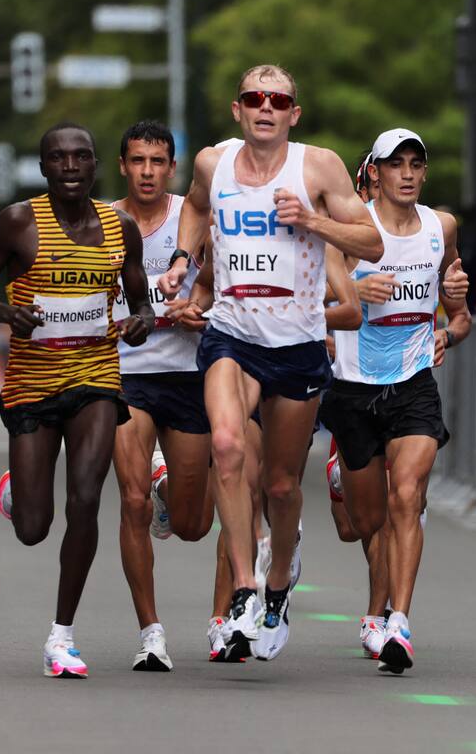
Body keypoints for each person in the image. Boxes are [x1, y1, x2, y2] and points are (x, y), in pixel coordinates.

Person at [158, 64, 382, 663]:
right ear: (238, 109)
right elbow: (197, 209)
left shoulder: (319, 167)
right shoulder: (214, 162)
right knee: (227, 447)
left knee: (282, 485)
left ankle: (279, 578)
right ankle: (244, 586)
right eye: (255, 98)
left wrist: (311, 219)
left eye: (278, 100)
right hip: (231, 335)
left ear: (293, 114)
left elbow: (371, 243)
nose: (266, 107)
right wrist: (184, 257)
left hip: (298, 346)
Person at [0, 122, 154, 678]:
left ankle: (61, 636)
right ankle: (19, 488)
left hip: (95, 378)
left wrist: (140, 322)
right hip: (31, 387)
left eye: (81, 157)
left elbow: (142, 302)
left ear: (95, 167)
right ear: (43, 168)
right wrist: (5, 313)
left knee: (86, 498)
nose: (70, 166)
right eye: (58, 158)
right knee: (33, 528)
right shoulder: (18, 223)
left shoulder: (121, 228)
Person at [318, 128, 470, 673]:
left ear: (424, 173)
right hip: (353, 388)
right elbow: (309, 300)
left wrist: (449, 329)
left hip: (412, 387)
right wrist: (352, 295)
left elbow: (460, 313)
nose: (406, 173)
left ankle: (397, 623)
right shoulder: (350, 231)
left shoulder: (441, 227)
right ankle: (377, 607)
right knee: (366, 520)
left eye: (416, 164)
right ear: (375, 173)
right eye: (395, 164)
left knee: (408, 497)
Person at [106, 120, 216, 672]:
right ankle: (151, 632)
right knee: (130, 502)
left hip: (189, 375)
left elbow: (223, 289)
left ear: (171, 169)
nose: (147, 171)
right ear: (123, 166)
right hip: (125, 376)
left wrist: (198, 312)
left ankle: (168, 488)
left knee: (195, 526)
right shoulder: (104, 224)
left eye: (157, 162)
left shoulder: (192, 220)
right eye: (137, 161)